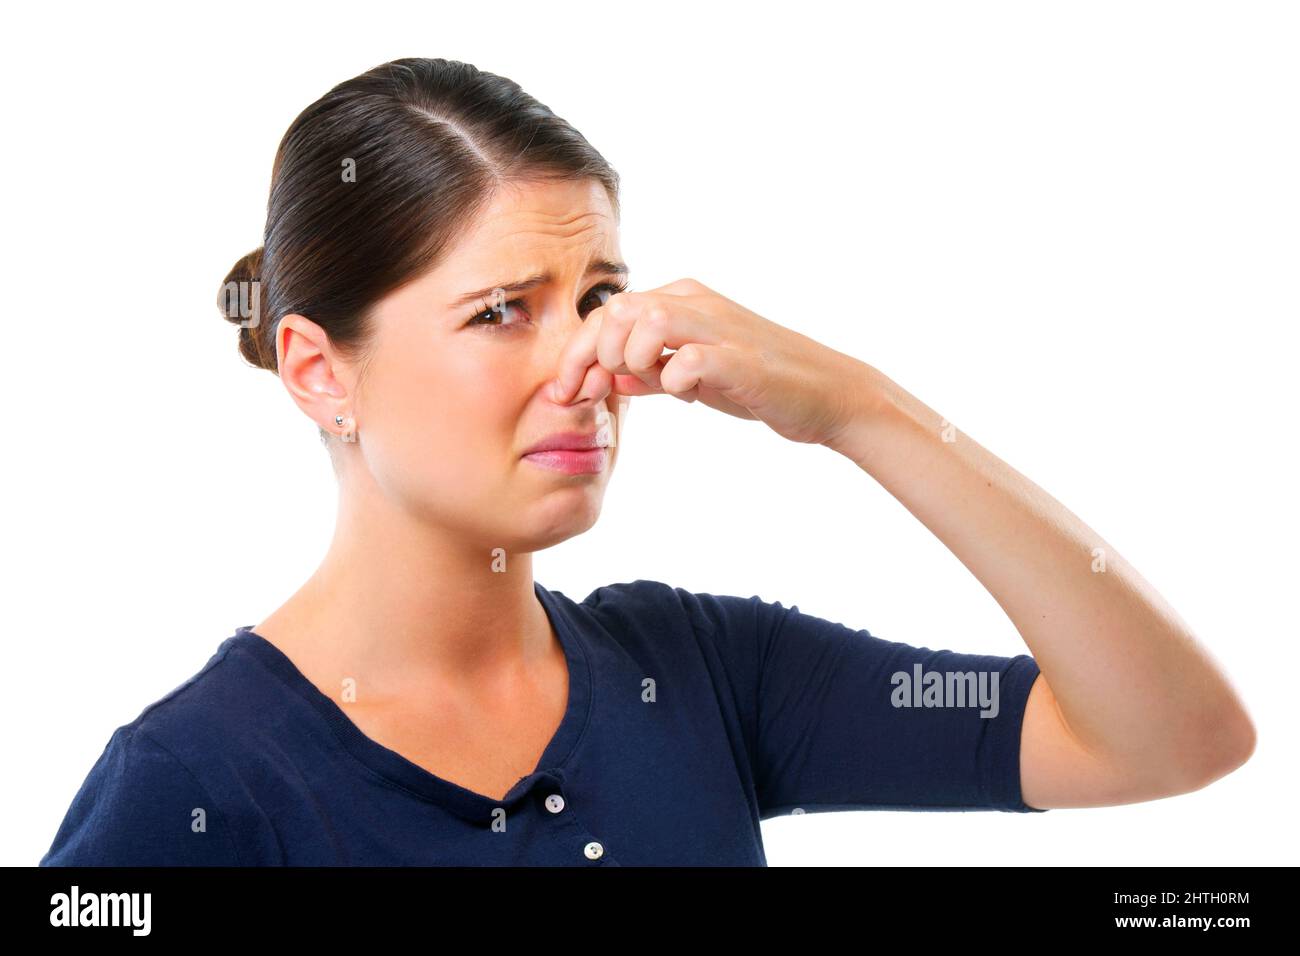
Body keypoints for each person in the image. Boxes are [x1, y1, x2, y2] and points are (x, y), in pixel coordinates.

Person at [40, 57, 1254, 867]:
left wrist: (852, 406)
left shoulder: (703, 673)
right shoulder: (192, 786)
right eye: (503, 308)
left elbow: (1172, 737)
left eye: (600, 294)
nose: (589, 361)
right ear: (318, 369)